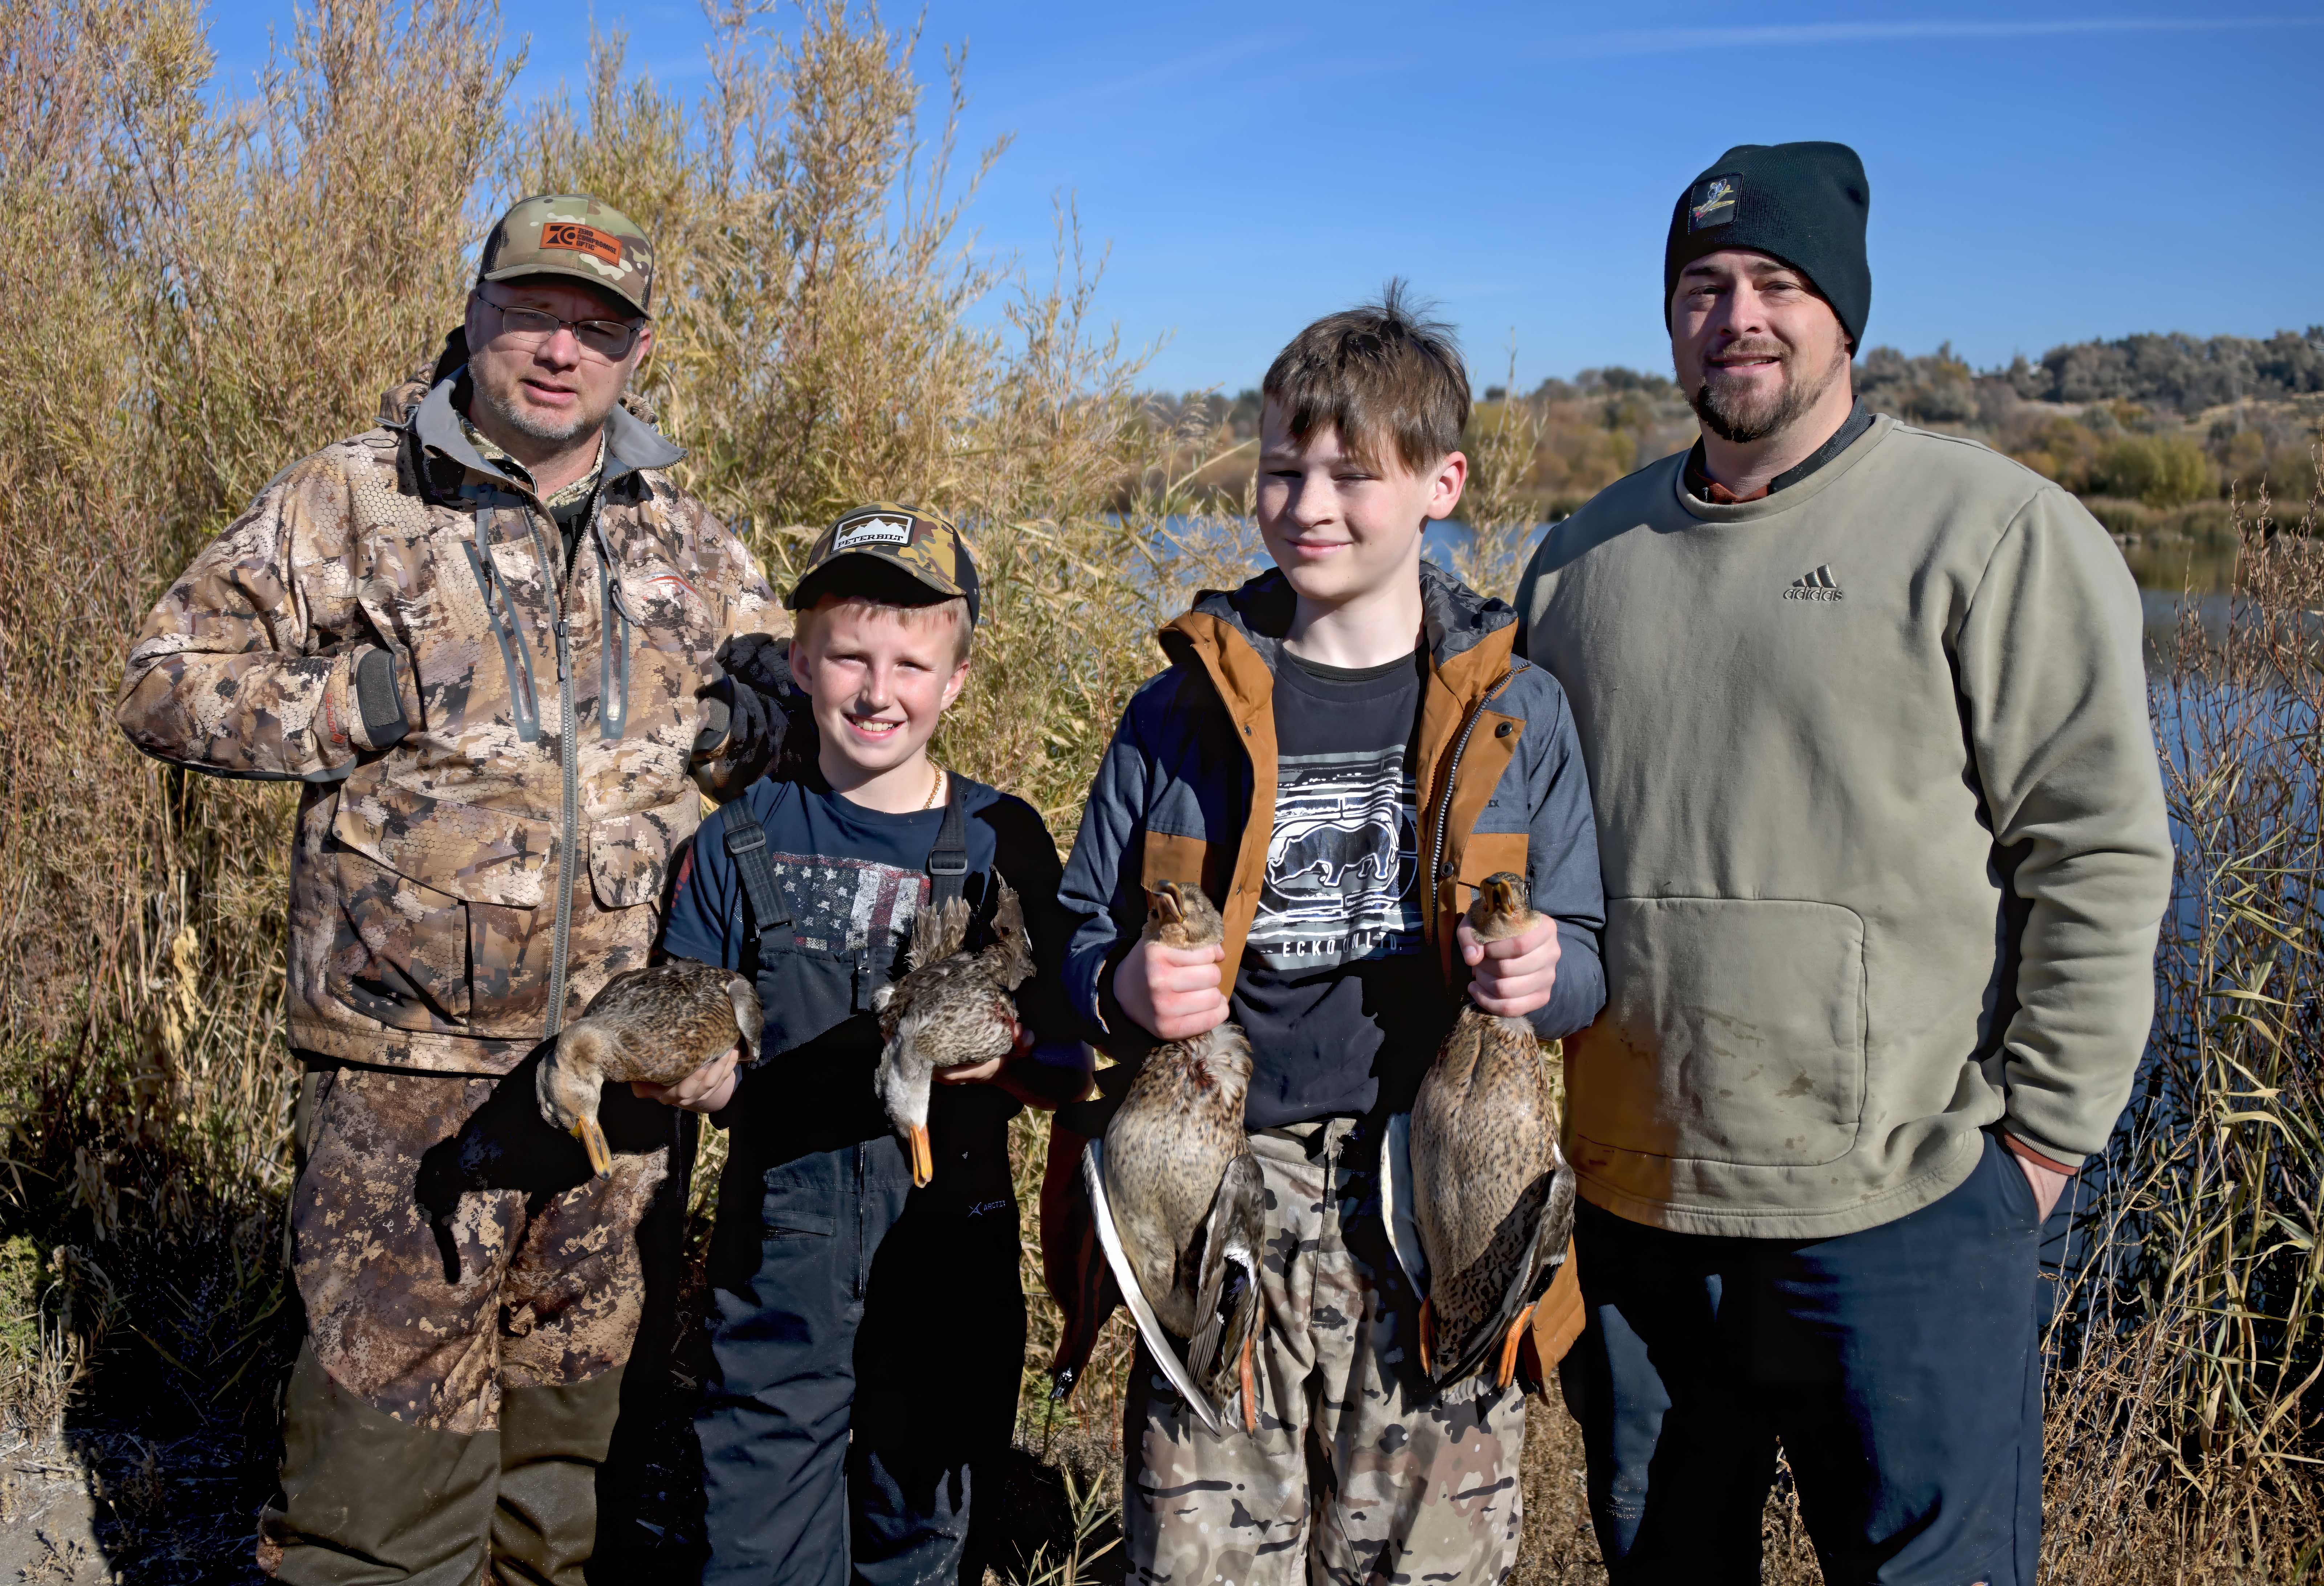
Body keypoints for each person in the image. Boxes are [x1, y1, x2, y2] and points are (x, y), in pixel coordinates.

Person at [1513, 141, 2174, 1584]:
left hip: (1905, 1212)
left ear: (1844, 316)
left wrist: (2040, 1150)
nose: (1736, 316)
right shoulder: (1578, 560)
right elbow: (1519, 848)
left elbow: (2101, 858)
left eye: (1775, 284)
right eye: (1702, 286)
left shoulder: (1993, 534)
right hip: (1637, 1209)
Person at [117, 194, 792, 1584]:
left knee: (564, 1480)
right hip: (400, 1071)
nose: (562, 349)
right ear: (476, 314)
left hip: (622, 1081)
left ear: (640, 352)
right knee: (382, 1484)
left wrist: (757, 735)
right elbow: (162, 685)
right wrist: (353, 700)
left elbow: (813, 713)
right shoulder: (353, 499)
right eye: (533, 312)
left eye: (597, 327)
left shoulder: (690, 541)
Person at [1053, 287, 1608, 1585]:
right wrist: (1123, 984)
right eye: (1282, 468)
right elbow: (1074, 940)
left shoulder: (1518, 711)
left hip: (1441, 1209)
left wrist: (1549, 971)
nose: (1307, 503)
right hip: (1219, 1202)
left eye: (1352, 474)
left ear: (1442, 484)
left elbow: (1589, 951)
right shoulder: (1176, 711)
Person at [655, 504, 1094, 1586]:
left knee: (924, 1541)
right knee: (754, 1549)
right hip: (779, 1263)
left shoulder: (1006, 841)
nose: (877, 690)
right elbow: (682, 1027)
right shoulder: (735, 838)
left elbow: (1077, 1058)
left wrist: (1011, 1062)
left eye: (911, 663)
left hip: (948, 1253)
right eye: (849, 656)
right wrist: (685, 1074)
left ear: (957, 680)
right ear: (801, 661)